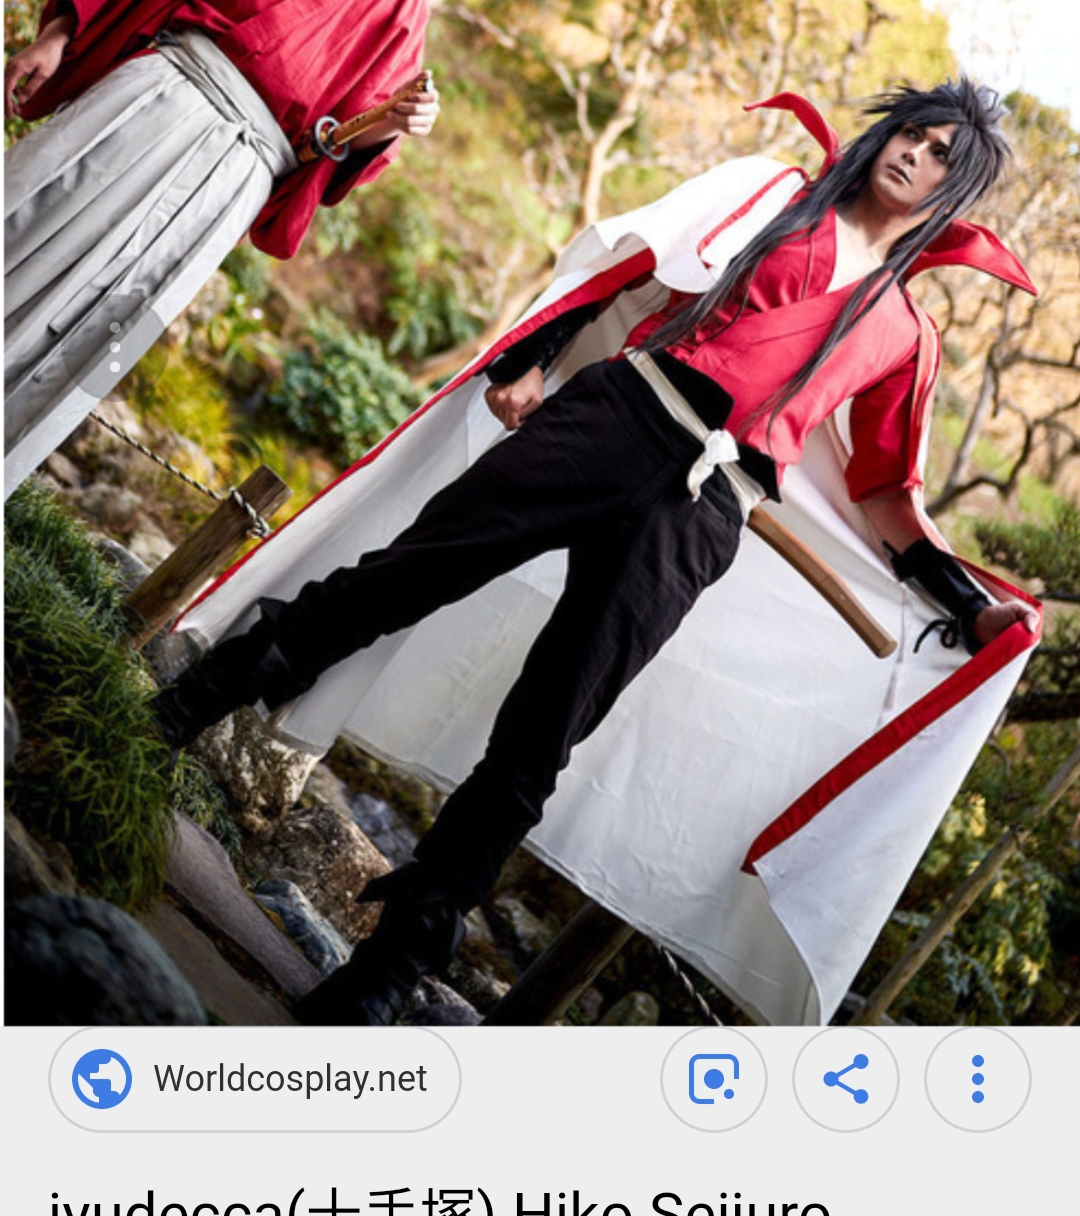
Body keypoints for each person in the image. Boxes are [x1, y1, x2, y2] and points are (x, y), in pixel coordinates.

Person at [152, 80, 1041, 1025]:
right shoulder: (777, 195)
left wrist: (966, 604)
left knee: (545, 733)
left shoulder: (905, 332)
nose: (913, 155)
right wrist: (531, 361)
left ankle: (391, 966)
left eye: (941, 156)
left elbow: (884, 491)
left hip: (703, 514)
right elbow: (640, 263)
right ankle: (183, 708)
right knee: (407, 576)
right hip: (620, 415)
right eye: (912, 134)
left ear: (954, 193)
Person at [3, 0, 501, 496]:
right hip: (162, 98)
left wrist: (392, 122)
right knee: (30, 216)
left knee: (112, 313)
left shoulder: (406, 9)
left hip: (234, 178)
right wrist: (59, 34)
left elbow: (335, 141)